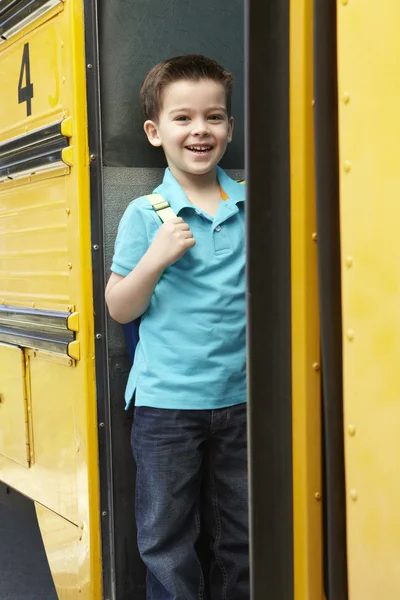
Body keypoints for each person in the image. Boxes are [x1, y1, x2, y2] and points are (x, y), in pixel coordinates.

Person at [105, 54, 248, 600]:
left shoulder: (251, 207)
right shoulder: (148, 213)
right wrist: (155, 259)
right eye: (182, 118)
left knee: (243, 533)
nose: (200, 130)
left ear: (229, 128)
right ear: (154, 130)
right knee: (165, 536)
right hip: (167, 405)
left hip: (242, 400)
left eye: (213, 117)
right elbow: (119, 307)